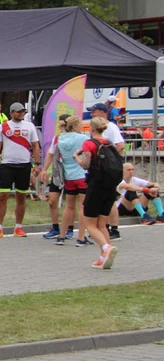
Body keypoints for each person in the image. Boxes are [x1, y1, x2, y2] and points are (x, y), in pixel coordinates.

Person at [75, 117, 123, 270]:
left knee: (90, 224)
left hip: (96, 185)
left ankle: (106, 248)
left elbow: (86, 165)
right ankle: (104, 257)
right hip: (110, 186)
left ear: (92, 129)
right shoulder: (109, 143)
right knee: (102, 224)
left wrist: (76, 156)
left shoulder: (88, 144)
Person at [0, 102, 40, 239]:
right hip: (7, 165)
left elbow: (35, 146)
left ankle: (18, 227)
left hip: (24, 165)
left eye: (22, 111)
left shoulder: (30, 126)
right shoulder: (3, 126)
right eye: (18, 112)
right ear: (11, 113)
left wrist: (37, 164)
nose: (21, 113)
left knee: (21, 196)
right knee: (2, 197)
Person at [55, 114, 89, 245]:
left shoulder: (60, 138)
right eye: (79, 125)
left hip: (68, 175)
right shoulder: (82, 138)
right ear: (74, 126)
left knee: (69, 207)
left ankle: (61, 236)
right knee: (83, 206)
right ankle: (81, 237)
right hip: (81, 173)